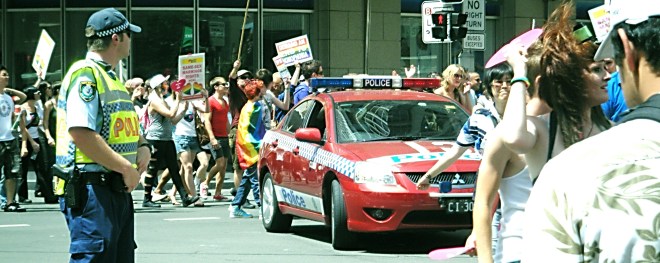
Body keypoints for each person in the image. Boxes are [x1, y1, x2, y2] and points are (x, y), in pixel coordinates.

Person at [522, 0, 660, 261]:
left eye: (608, 64)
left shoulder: (570, 173)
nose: (608, 75)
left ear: (627, 50)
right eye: (596, 69)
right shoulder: (545, 136)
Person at [54, 8, 149, 262]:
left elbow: (126, 128)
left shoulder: (112, 78)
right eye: (129, 34)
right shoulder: (86, 75)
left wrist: (144, 146)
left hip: (112, 188)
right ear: (116, 38)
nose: (131, 40)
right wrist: (126, 168)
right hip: (92, 189)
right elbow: (81, 132)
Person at [499, 1, 612, 183]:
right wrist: (519, 73)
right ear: (570, 77)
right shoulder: (544, 129)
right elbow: (513, 138)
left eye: (606, 68)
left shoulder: (611, 130)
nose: (608, 76)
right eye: (597, 70)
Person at [143, 74, 199, 207]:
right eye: (164, 84)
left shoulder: (162, 100)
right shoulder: (155, 100)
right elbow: (169, 114)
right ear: (157, 86)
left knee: (174, 168)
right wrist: (178, 101)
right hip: (156, 139)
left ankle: (185, 197)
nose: (167, 86)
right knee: (153, 169)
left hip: (167, 138)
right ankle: (146, 198)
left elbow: (173, 120)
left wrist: (183, 110)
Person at [229, 80, 268, 218]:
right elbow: (253, 131)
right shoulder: (255, 107)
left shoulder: (248, 106)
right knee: (256, 181)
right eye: (261, 89)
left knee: (246, 181)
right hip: (251, 149)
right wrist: (261, 143)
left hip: (247, 147)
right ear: (257, 92)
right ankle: (262, 208)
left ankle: (235, 206)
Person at [18, 86, 56, 203]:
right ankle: (22, 196)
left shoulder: (37, 106)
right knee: (23, 169)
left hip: (37, 139)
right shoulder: (23, 108)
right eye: (37, 92)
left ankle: (48, 195)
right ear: (31, 94)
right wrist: (31, 142)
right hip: (24, 140)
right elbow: (23, 127)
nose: (39, 94)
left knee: (42, 168)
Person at [0, 65, 27, 212]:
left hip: (9, 139)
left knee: (12, 172)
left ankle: (10, 202)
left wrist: (9, 90)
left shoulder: (8, 98)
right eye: (4, 75)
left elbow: (23, 97)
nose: (7, 77)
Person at [203, 77, 231, 201]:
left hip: (224, 135)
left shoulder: (225, 101)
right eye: (223, 84)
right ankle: (205, 183)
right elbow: (207, 121)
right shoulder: (210, 101)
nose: (226, 86)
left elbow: (226, 120)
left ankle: (218, 192)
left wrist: (230, 132)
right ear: (215, 87)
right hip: (216, 137)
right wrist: (212, 138)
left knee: (223, 166)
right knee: (219, 163)